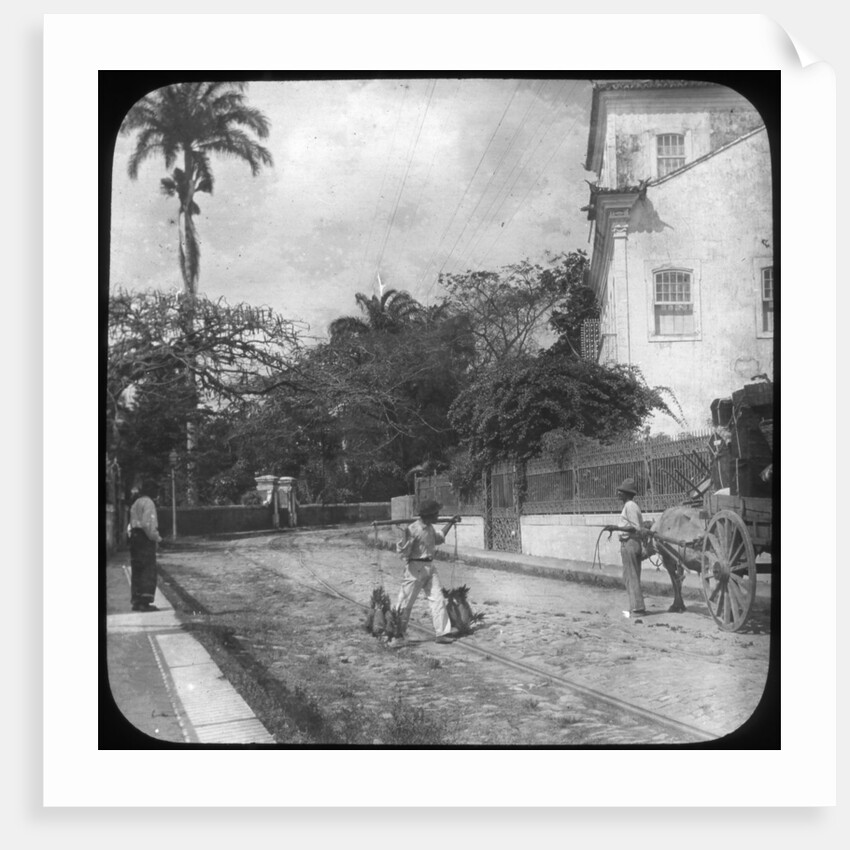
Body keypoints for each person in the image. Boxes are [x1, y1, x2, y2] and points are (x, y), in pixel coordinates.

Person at [394, 499, 461, 644]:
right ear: (428, 515)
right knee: (405, 602)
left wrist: (451, 522)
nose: (438, 516)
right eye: (436, 514)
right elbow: (403, 552)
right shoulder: (413, 529)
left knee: (438, 599)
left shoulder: (430, 528)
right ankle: (396, 632)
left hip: (430, 567)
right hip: (415, 568)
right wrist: (405, 536)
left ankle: (442, 633)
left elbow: (439, 538)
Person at [128, 480, 163, 612]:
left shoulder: (136, 502)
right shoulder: (148, 503)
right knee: (147, 569)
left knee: (137, 569)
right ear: (150, 490)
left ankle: (136, 601)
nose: (157, 493)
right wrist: (157, 538)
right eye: (155, 490)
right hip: (144, 538)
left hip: (135, 537)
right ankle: (144, 602)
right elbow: (148, 524)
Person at [615, 478, 647, 618]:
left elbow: (635, 527)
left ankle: (638, 609)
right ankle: (634, 607)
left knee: (631, 576)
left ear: (627, 493)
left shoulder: (630, 506)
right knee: (629, 576)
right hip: (628, 543)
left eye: (621, 492)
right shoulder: (629, 506)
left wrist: (617, 528)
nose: (618, 493)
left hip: (630, 543)